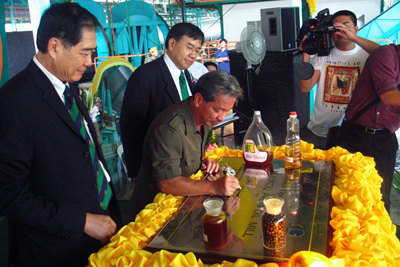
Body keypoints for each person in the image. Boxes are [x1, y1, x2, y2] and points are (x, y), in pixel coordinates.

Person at [0, 3, 121, 267]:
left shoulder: (66, 87)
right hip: (55, 250)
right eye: (85, 53)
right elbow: (8, 194)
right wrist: (83, 221)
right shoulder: (15, 101)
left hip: (97, 235)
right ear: (54, 47)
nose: (90, 62)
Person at [129, 70, 243, 219]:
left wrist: (201, 161)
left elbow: (184, 153)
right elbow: (167, 183)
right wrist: (215, 187)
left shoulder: (205, 119)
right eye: (217, 110)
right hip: (156, 214)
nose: (221, 118)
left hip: (186, 203)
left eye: (226, 111)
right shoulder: (170, 128)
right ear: (198, 100)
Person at [120, 23, 204, 179]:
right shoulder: (145, 76)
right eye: (189, 47)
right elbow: (130, 127)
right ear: (172, 44)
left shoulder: (185, 75)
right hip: (154, 170)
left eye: (197, 50)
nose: (193, 55)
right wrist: (138, 173)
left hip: (182, 166)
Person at [299, 10, 381, 149]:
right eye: (336, 27)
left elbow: (386, 54)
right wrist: (306, 57)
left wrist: (353, 37)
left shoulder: (366, 56)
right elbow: (305, 87)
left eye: (346, 25)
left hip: (351, 133)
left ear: (356, 29)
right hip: (318, 131)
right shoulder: (323, 55)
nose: (341, 30)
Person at [336, 44, 400, 213]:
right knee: (346, 191)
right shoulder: (387, 54)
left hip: (385, 138)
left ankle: (377, 237)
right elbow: (388, 96)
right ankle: (344, 236)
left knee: (380, 197)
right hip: (356, 135)